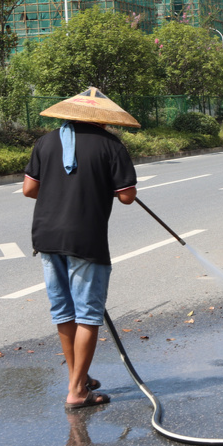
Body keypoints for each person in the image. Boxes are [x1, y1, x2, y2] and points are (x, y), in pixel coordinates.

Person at [22, 87, 140, 410]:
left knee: (64, 312)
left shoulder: (46, 142)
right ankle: (77, 391)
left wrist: (59, 193)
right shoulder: (110, 145)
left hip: (46, 236)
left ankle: (80, 376)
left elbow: (29, 188)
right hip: (85, 239)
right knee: (87, 314)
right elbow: (127, 195)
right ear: (102, 118)